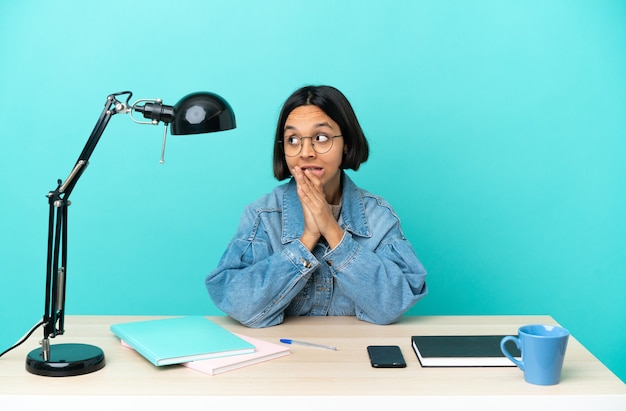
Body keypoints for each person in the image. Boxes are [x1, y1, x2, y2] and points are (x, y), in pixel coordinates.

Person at [205, 85, 427, 328]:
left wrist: (330, 228)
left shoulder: (379, 216)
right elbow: (238, 303)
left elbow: (393, 305)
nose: (306, 153)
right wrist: (308, 238)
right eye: (293, 140)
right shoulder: (262, 216)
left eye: (321, 138)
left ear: (347, 143)